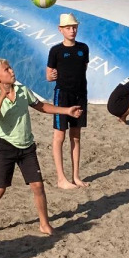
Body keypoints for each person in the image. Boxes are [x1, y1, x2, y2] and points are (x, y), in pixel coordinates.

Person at [0, 58, 83, 239]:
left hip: (27, 146)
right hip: (4, 147)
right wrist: (2, 96)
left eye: (10, 67)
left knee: (38, 186)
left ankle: (44, 224)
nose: (12, 71)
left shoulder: (22, 90)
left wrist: (66, 111)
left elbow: (41, 106)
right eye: (7, 69)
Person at [46, 13, 89, 190]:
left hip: (80, 95)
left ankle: (76, 176)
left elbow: (83, 69)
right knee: (59, 136)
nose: (72, 30)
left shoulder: (83, 48)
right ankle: (61, 178)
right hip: (62, 95)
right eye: (68, 28)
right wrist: (50, 76)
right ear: (60, 29)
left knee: (76, 136)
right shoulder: (56, 50)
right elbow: (49, 74)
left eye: (74, 27)